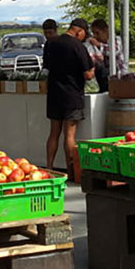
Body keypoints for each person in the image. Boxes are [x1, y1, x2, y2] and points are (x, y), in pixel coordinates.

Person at [42, 18, 94, 181]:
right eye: (83, 34)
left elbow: (47, 67)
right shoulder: (78, 46)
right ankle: (72, 172)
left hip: (54, 94)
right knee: (70, 135)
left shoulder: (52, 44)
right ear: (79, 31)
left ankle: (49, 168)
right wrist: (93, 69)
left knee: (53, 133)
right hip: (72, 95)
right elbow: (87, 74)